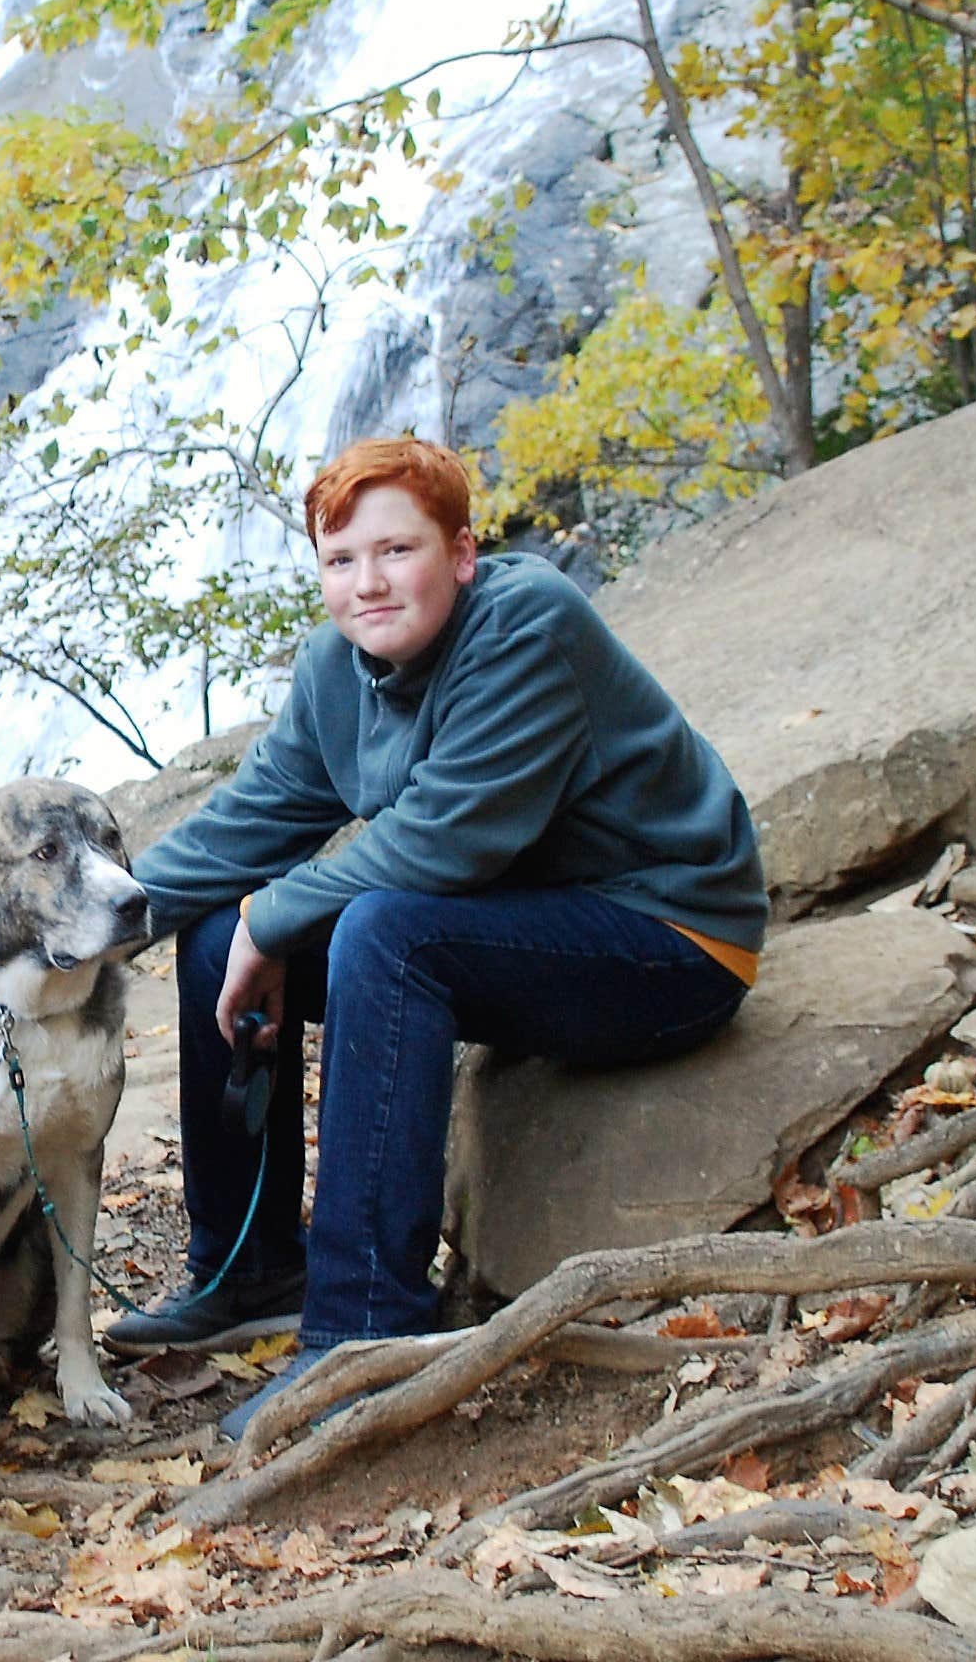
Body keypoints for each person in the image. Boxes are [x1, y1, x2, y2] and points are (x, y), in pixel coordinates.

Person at [118, 436, 770, 1436]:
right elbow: (243, 825)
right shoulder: (334, 672)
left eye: (396, 551)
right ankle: (249, 1272)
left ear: (461, 555)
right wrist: (84, 929)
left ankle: (361, 1335)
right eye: (340, 561)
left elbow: (442, 842)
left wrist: (276, 917)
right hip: (519, 930)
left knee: (383, 932)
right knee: (215, 937)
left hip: (668, 935)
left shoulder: (525, 625)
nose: (367, 583)